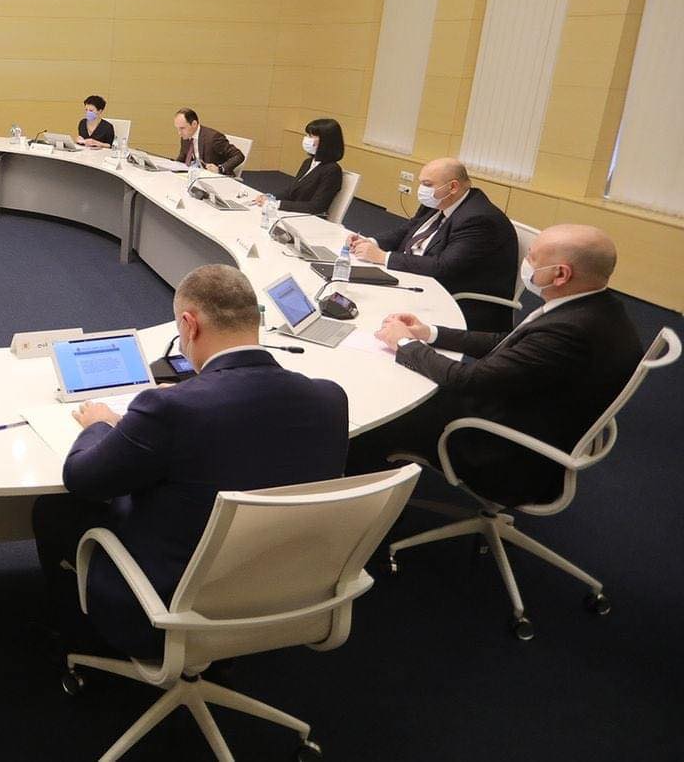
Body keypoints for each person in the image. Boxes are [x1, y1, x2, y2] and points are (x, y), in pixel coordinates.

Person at [31, 265, 348, 660]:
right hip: (287, 592)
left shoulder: (169, 409)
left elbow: (82, 478)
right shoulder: (329, 399)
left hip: (170, 610)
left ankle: (78, 638)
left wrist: (100, 425)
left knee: (54, 511)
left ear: (189, 324)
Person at [351, 225, 642, 508]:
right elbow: (507, 342)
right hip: (534, 413)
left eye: (532, 258)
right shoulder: (597, 307)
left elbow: (468, 380)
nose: (525, 263)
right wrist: (428, 333)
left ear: (561, 274)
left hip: (504, 451)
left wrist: (404, 344)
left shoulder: (569, 331)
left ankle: (364, 513)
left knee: (382, 412)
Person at [346, 157, 517, 332]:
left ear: (453, 187)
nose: (421, 190)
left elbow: (444, 266)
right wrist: (371, 242)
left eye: (427, 184)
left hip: (453, 298)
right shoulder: (438, 201)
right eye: (421, 183)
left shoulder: (478, 219)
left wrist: (383, 257)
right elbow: (407, 230)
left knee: (371, 316)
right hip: (415, 275)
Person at [252, 118, 345, 217]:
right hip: (294, 213)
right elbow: (291, 191)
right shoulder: (308, 162)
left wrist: (277, 204)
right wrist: (270, 198)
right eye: (307, 135)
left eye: (311, 136)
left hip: (307, 218)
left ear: (326, 141)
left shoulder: (332, 170)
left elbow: (316, 206)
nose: (307, 139)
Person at [172, 107, 244, 176]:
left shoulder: (213, 138)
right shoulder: (186, 136)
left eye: (182, 128)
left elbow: (239, 156)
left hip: (217, 177)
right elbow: (183, 157)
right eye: (177, 128)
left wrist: (220, 169)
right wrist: (172, 166)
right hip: (198, 174)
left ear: (194, 124)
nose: (179, 133)